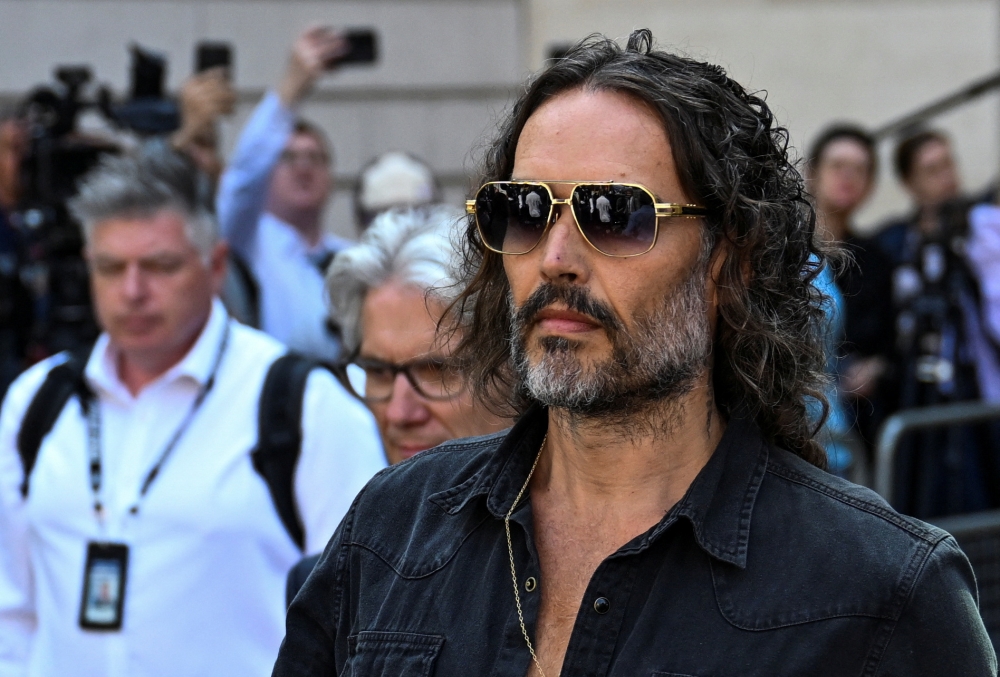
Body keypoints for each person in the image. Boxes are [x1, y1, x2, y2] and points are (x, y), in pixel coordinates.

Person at [273, 30, 994, 676]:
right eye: (524, 210)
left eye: (613, 214)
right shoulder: (391, 529)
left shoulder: (881, 592)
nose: (555, 258)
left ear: (729, 262)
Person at [0, 145, 385, 677]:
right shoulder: (37, 402)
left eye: (160, 266)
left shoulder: (304, 406)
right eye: (110, 268)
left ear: (216, 266)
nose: (133, 291)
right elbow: (11, 610)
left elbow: (367, 615)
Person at [285, 206, 508, 605]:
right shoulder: (333, 592)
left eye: (436, 370)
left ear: (514, 367)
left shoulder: (583, 567)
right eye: (379, 372)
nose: (399, 413)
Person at [873, 129, 1000, 518]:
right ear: (909, 182)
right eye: (932, 169)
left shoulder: (981, 225)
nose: (947, 176)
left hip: (974, 386)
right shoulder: (897, 241)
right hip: (915, 388)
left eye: (948, 163)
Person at [216, 26, 352, 363]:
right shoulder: (248, 242)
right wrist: (291, 87)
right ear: (267, 173)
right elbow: (242, 179)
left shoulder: (352, 258)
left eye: (315, 158)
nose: (303, 169)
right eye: (289, 158)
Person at [806, 125, 895, 474]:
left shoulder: (876, 259)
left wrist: (877, 367)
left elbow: (890, 342)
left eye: (860, 169)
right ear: (812, 174)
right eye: (838, 166)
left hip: (855, 427)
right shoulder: (784, 253)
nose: (848, 177)